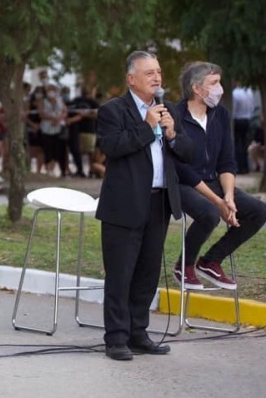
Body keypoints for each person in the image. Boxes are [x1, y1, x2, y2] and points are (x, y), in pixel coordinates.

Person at [95, 50, 193, 361]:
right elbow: (112, 147)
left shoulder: (169, 110)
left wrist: (172, 133)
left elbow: (189, 152)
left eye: (159, 72)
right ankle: (116, 338)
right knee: (121, 273)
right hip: (124, 205)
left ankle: (139, 332)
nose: (157, 78)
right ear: (131, 79)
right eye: (149, 73)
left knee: (148, 272)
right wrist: (147, 127)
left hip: (158, 203)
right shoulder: (113, 110)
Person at [172, 62, 266, 291]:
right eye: (214, 83)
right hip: (183, 184)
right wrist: (218, 202)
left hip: (214, 180)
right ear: (197, 88)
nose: (220, 89)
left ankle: (211, 261)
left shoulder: (220, 114)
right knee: (210, 213)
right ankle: (184, 265)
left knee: (258, 210)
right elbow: (182, 168)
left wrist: (228, 196)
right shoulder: (176, 115)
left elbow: (227, 160)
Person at [38, 84, 68, 177]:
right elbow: (41, 114)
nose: (51, 92)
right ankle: (48, 168)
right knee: (47, 149)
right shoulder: (43, 101)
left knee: (56, 149)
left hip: (58, 128)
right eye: (49, 90)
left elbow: (64, 112)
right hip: (46, 128)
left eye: (53, 90)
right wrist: (52, 117)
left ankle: (53, 168)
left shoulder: (60, 101)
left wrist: (58, 119)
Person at [232, 81, 255, 174]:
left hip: (238, 119)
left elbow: (233, 108)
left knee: (238, 144)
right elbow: (252, 107)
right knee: (245, 143)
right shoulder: (249, 91)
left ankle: (239, 167)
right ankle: (246, 167)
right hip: (247, 119)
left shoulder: (235, 94)